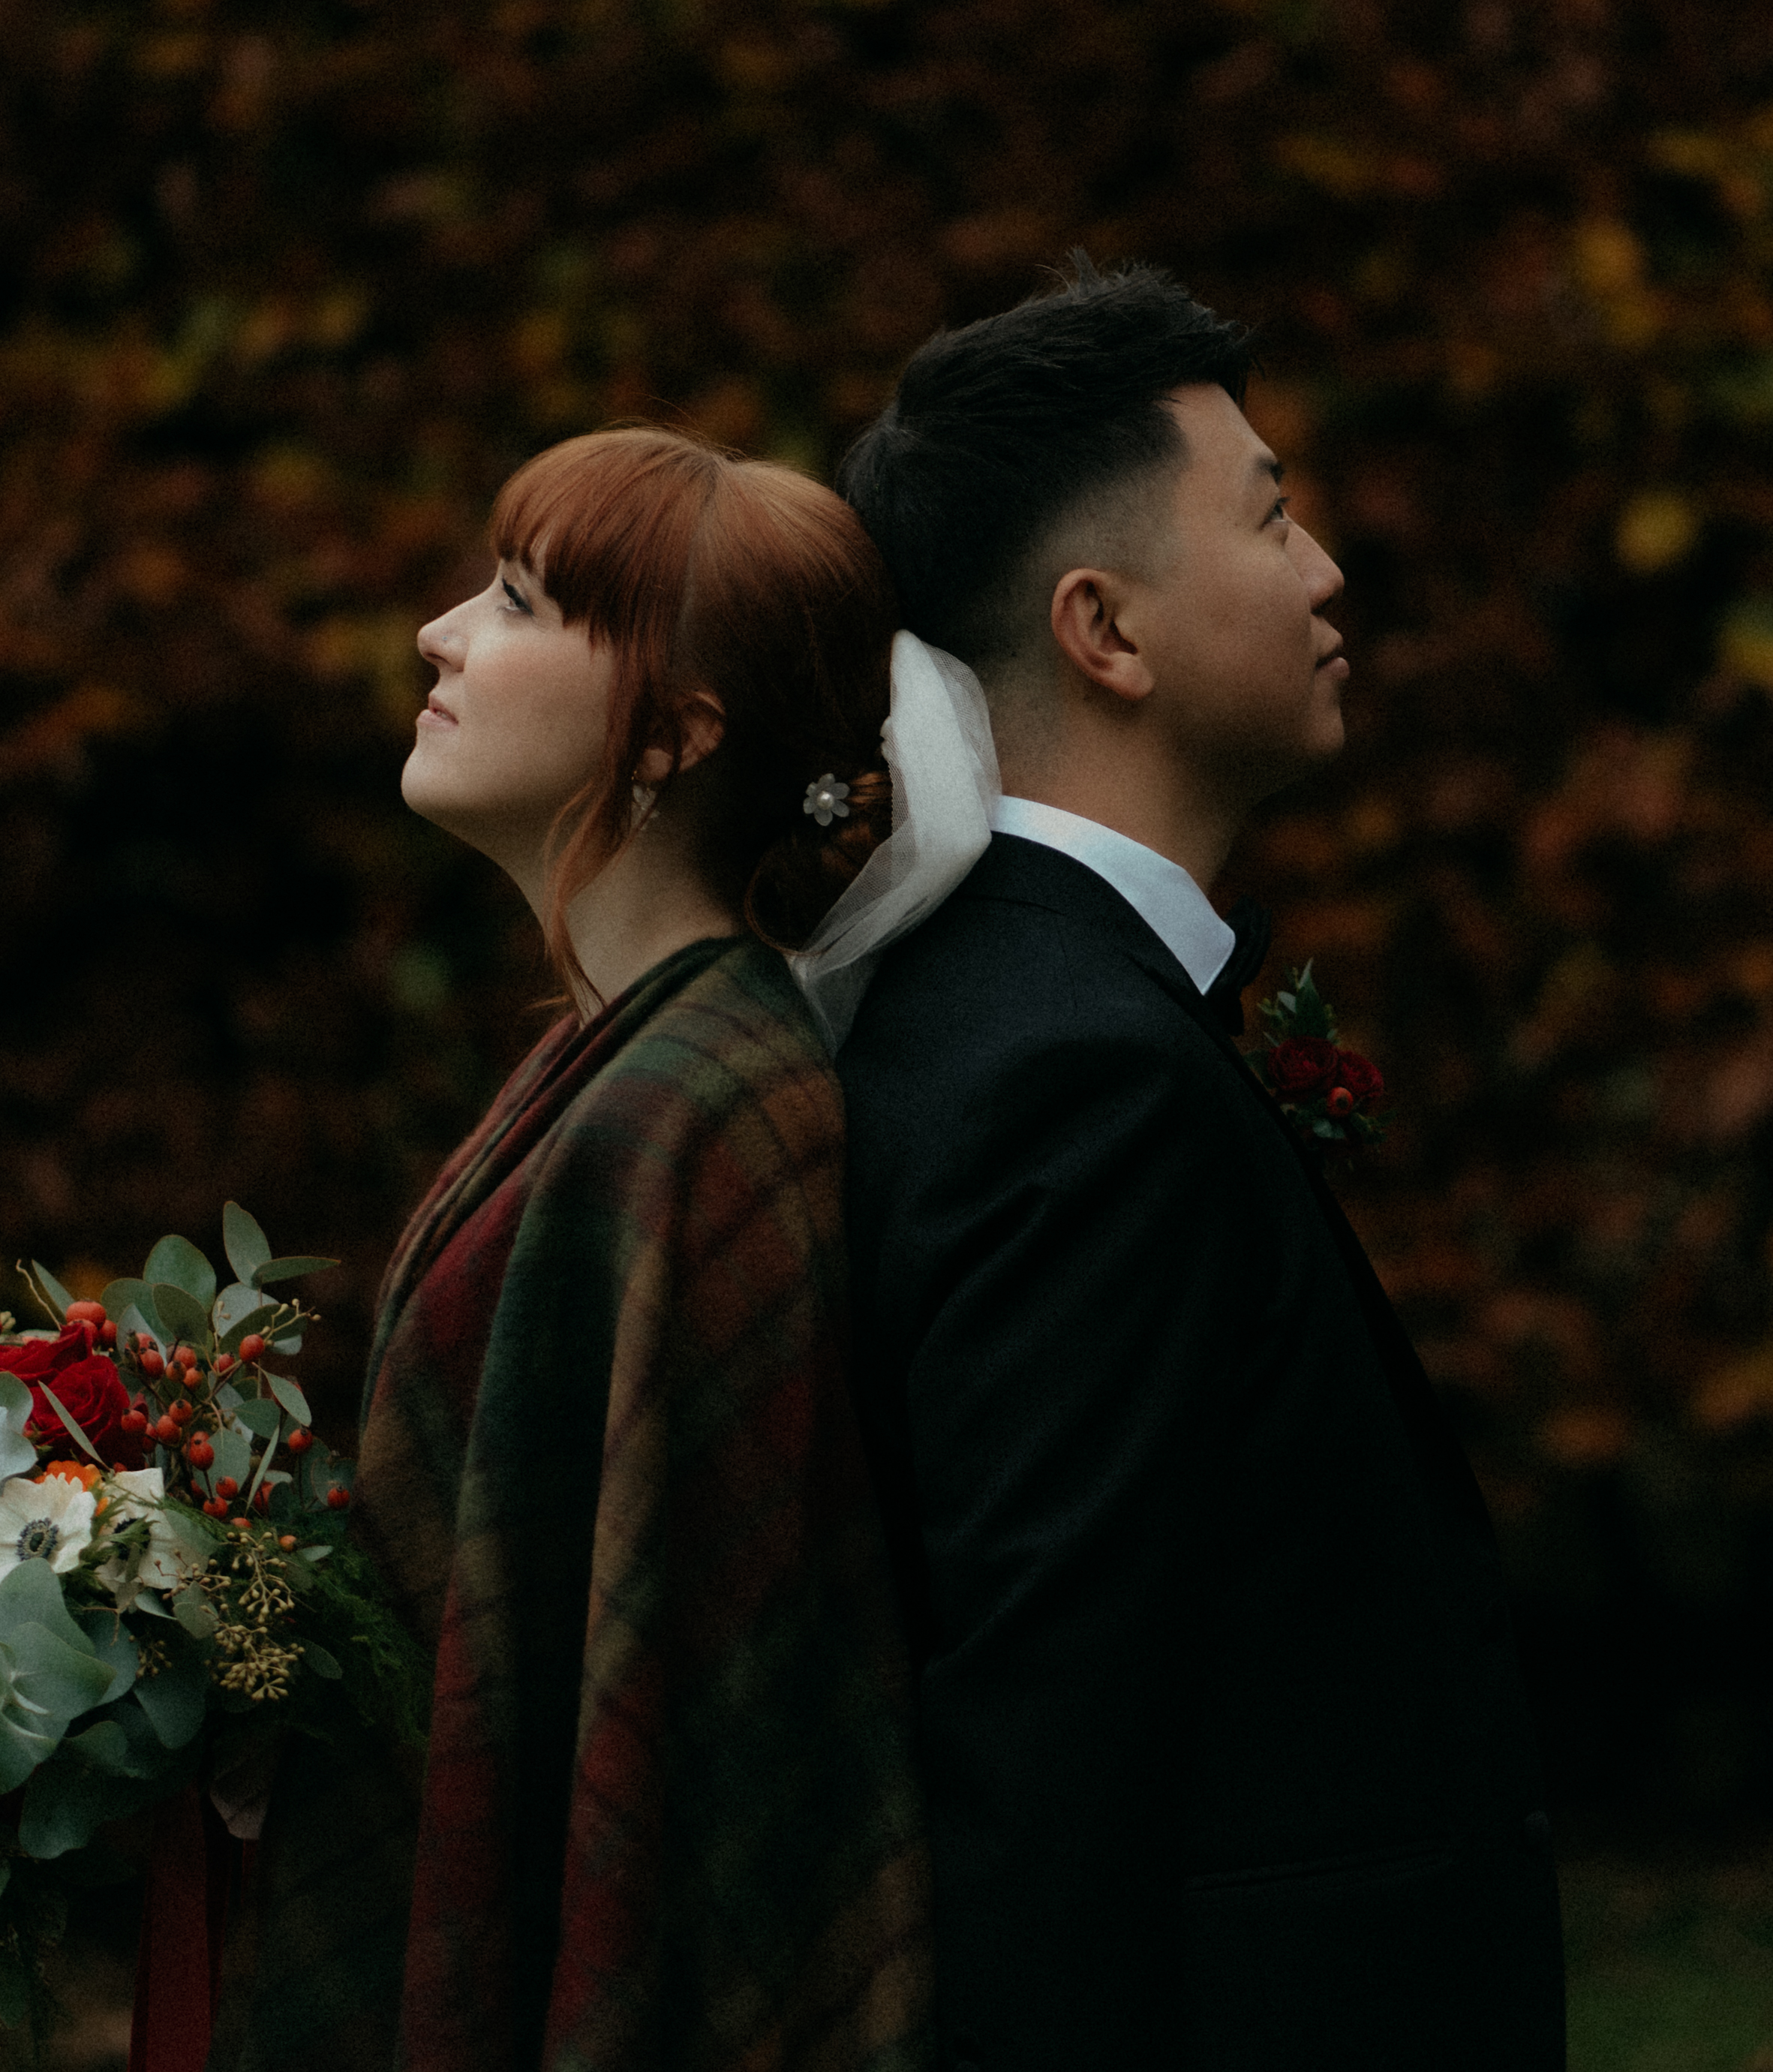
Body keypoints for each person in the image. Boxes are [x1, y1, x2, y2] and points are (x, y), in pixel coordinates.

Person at [829, 257, 1567, 2072]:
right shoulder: (1071, 1073)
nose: (1327, 570)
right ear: (1106, 628)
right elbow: (1051, 1742)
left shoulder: (1018, 1009)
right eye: (1270, 513)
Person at [211, 427, 933, 2072]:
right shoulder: (619, 1055)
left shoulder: (703, 1112)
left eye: (519, 602)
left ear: (675, 733)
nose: (440, 633)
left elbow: (694, 1716)